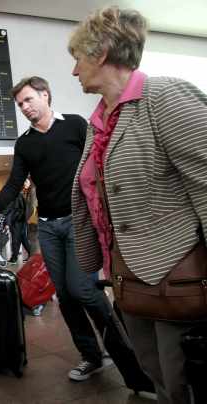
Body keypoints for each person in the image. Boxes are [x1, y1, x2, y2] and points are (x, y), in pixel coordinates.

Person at [68, 6, 207, 403]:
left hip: (176, 272)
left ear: (101, 53)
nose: (75, 71)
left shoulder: (164, 96)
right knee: (154, 373)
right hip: (127, 275)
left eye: (78, 59)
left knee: (185, 377)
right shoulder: (99, 121)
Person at [0, 76, 118, 381]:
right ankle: (92, 356)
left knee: (84, 291)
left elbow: (100, 160)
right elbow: (14, 184)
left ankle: (123, 349)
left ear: (46, 95)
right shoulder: (24, 143)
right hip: (49, 228)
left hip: (80, 221)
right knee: (65, 297)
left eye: (28, 100)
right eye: (20, 104)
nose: (24, 107)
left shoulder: (75, 125)